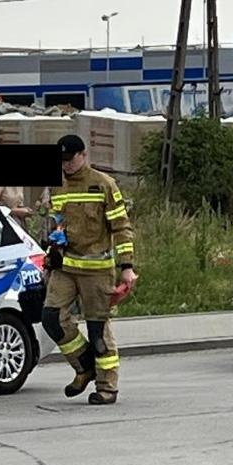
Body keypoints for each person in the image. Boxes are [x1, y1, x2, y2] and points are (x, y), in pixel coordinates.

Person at [43, 134, 137, 405]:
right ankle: (84, 366)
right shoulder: (58, 185)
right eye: (62, 161)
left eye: (70, 160)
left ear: (83, 155)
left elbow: (121, 228)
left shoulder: (103, 184)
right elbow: (54, 224)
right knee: (51, 317)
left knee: (98, 330)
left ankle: (107, 386)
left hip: (96, 269)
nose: (66, 166)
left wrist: (127, 267)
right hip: (66, 267)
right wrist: (50, 256)